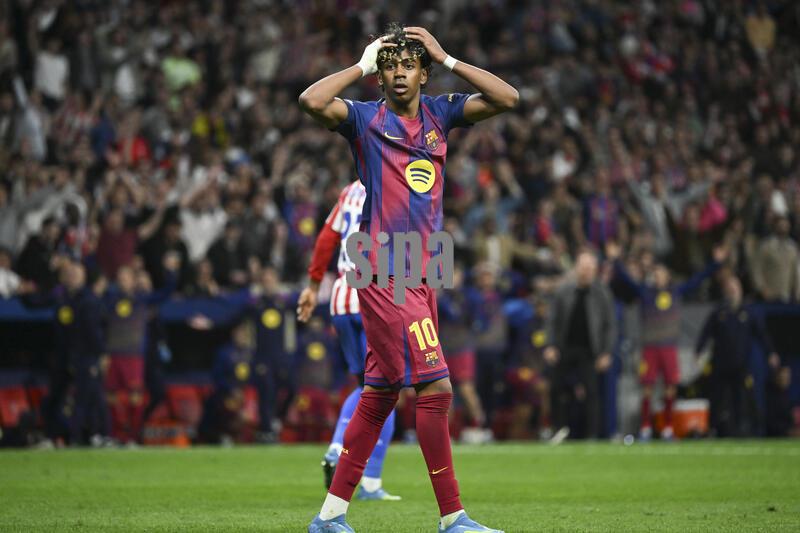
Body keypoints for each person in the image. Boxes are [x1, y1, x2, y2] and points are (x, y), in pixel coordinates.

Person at [299, 22, 517, 533]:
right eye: (390, 67)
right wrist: (359, 64)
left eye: (409, 66)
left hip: (428, 262)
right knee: (436, 389)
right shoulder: (362, 118)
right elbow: (310, 100)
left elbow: (508, 98)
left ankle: (330, 517)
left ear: (422, 74)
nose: (399, 75)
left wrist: (447, 57)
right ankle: (453, 517)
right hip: (381, 262)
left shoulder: (442, 112)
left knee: (380, 392)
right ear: (381, 76)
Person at [297, 179, 400, 500]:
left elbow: (327, 238)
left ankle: (362, 473)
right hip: (376, 293)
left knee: (366, 385)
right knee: (387, 387)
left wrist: (314, 287)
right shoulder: (396, 180)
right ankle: (352, 460)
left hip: (342, 296)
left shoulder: (349, 190)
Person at [607, 242, 726, 440]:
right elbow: (627, 280)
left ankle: (668, 428)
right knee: (647, 388)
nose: (658, 276)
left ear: (667, 275)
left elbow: (697, 280)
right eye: (656, 273)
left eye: (661, 272)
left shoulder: (675, 292)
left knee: (671, 387)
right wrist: (615, 260)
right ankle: (645, 428)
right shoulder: (645, 292)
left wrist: (715, 263)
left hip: (669, 347)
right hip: (650, 348)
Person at [695, 276, 781, 437]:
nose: (733, 291)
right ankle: (712, 429)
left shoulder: (747, 312)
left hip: (740, 364)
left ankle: (740, 429)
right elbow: (706, 332)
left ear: (740, 290)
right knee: (717, 398)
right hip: (720, 363)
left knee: (740, 399)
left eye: (735, 287)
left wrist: (771, 352)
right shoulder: (719, 312)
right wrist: (698, 351)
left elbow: (761, 335)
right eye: (730, 288)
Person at [544, 251, 616, 441]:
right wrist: (550, 345)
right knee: (556, 388)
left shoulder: (602, 293)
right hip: (564, 347)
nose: (587, 272)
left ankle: (591, 434)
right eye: (584, 268)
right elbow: (552, 320)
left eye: (591, 268)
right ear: (577, 269)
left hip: (589, 350)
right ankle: (558, 430)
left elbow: (610, 324)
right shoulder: (563, 291)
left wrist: (606, 352)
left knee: (591, 392)